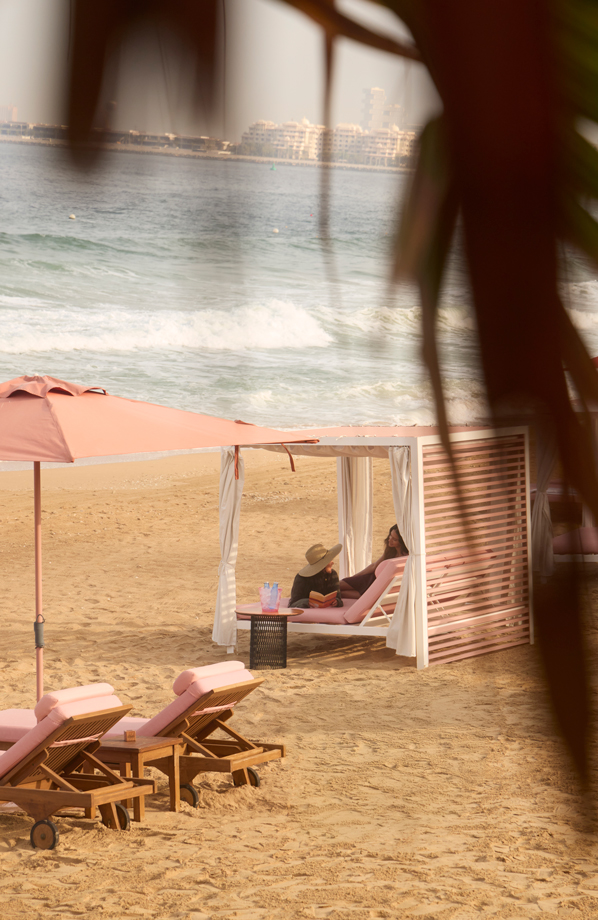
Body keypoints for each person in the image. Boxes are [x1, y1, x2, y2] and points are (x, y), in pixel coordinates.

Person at [339, 524, 408, 599]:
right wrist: (355, 577)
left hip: (379, 586)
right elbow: (374, 566)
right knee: (337, 585)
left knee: (340, 593)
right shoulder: (391, 550)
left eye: (394, 539)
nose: (390, 540)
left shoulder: (406, 558)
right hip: (370, 578)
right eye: (390, 535)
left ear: (402, 542)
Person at [289, 542, 343, 608]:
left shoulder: (333, 574)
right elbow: (293, 603)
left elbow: (338, 597)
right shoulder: (301, 578)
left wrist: (337, 601)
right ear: (321, 566)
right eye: (329, 561)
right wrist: (306, 602)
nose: (332, 563)